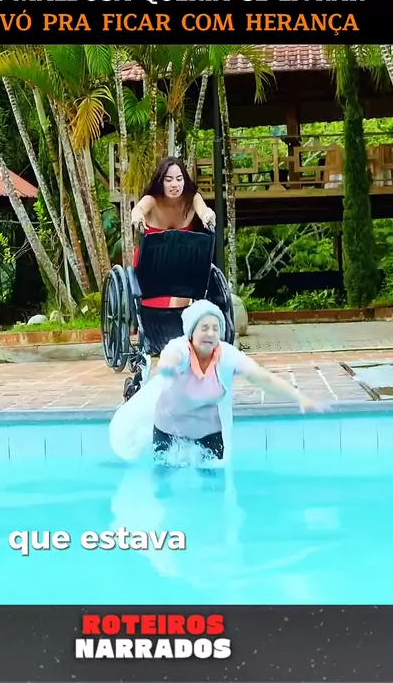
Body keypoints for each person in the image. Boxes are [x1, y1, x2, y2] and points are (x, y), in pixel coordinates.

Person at [109, 299, 329, 465]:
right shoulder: (180, 348)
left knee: (214, 488)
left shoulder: (227, 356)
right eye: (204, 328)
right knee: (164, 488)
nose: (211, 333)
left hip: (209, 436)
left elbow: (262, 377)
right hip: (168, 431)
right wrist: (167, 369)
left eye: (215, 328)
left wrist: (299, 397)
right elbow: (169, 359)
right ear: (191, 332)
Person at [130, 157, 215, 308]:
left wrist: (207, 215)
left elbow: (203, 210)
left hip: (181, 268)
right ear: (160, 181)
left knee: (185, 285)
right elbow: (138, 209)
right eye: (168, 180)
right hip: (152, 266)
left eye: (179, 179)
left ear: (184, 181)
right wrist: (137, 217)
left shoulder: (192, 198)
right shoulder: (152, 199)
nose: (174, 184)